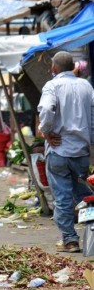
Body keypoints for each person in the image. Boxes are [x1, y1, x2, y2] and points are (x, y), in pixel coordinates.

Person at [37, 51, 94, 253]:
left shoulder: (52, 85)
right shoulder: (86, 86)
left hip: (59, 150)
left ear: (54, 68)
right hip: (81, 151)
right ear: (72, 67)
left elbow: (45, 108)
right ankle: (91, 235)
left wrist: (46, 131)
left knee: (62, 197)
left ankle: (70, 239)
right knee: (85, 195)